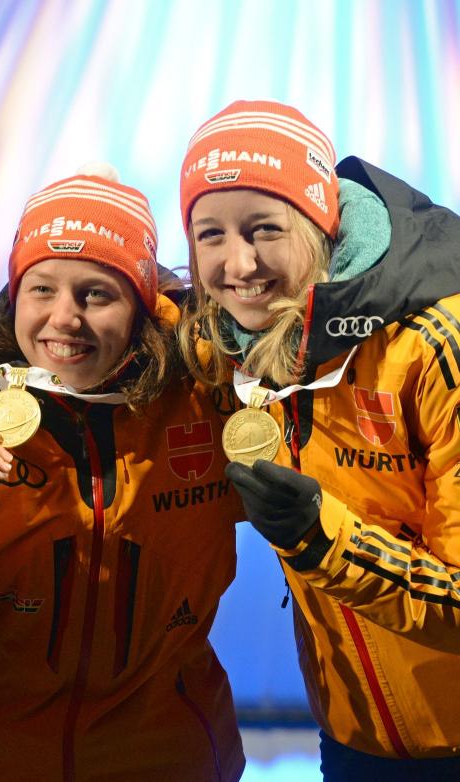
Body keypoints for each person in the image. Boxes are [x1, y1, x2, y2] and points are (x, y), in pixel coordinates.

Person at [0, 165, 246, 781]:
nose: (65, 318)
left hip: (170, 757)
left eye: (96, 293)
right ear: (15, 295)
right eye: (42, 290)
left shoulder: (208, 396)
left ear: (141, 306)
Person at [176, 100, 460, 777]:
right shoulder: (235, 340)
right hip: (354, 732)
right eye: (209, 234)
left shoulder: (432, 349)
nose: (236, 265)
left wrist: (322, 540)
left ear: (321, 223)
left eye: (263, 228)